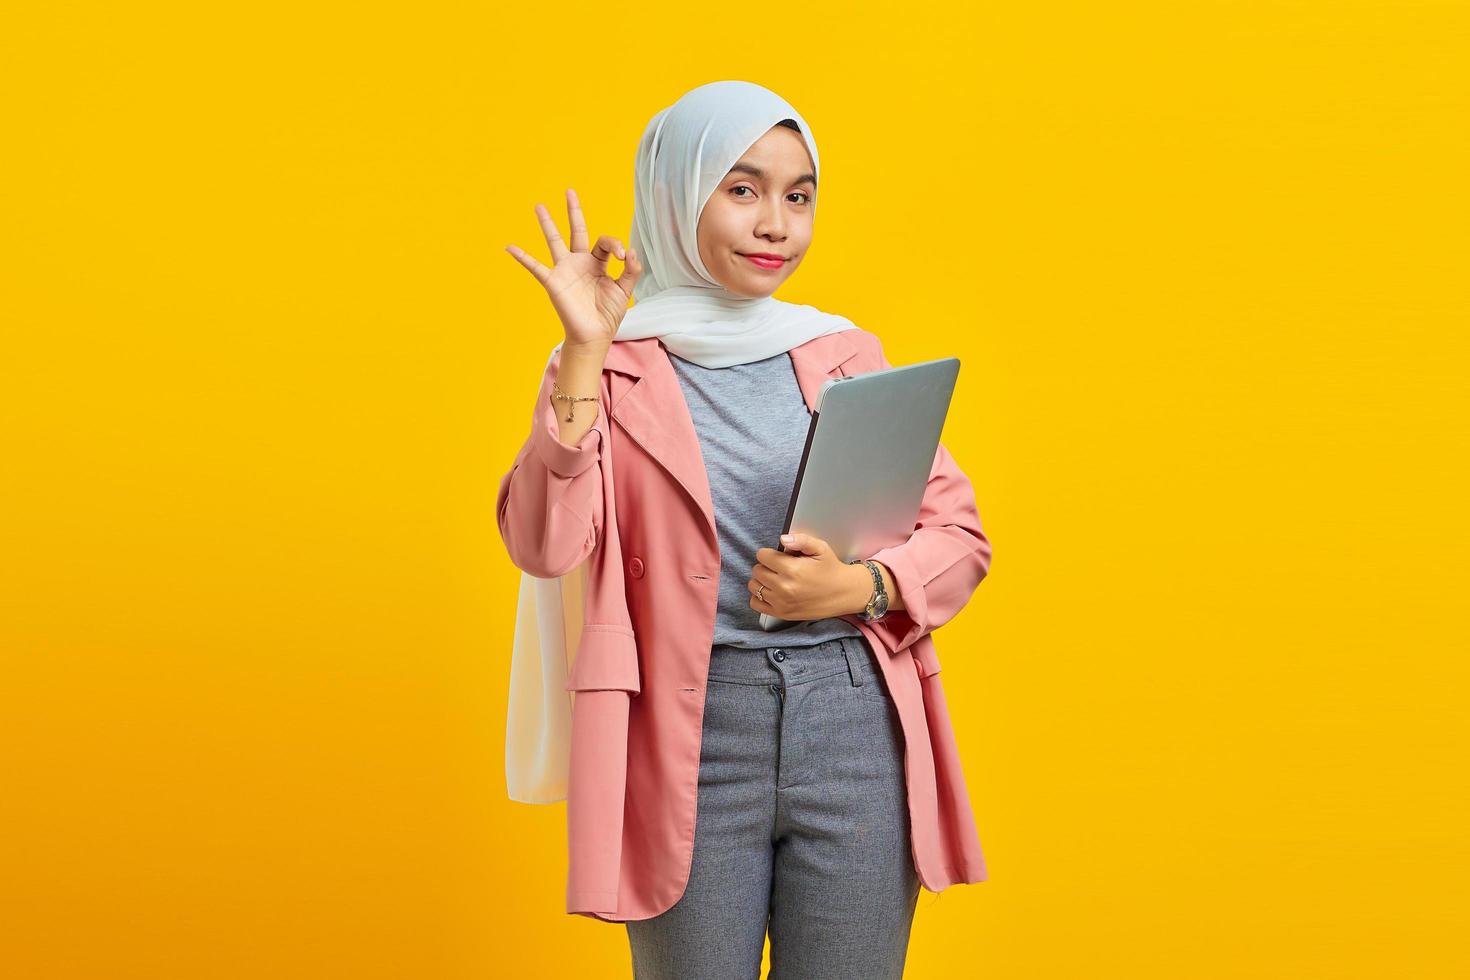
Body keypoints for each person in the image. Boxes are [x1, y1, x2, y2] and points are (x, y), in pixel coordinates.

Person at [500, 80, 992, 979]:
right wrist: (581, 351)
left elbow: (958, 535)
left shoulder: (844, 349)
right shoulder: (608, 364)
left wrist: (865, 587)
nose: (777, 224)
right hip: (689, 731)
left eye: (798, 196)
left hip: (853, 720)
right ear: (677, 193)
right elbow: (542, 545)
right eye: (743, 188)